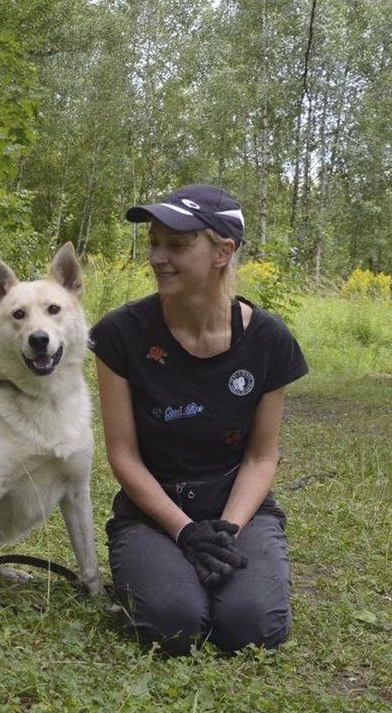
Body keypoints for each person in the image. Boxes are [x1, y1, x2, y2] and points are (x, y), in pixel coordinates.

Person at [88, 183, 308, 655]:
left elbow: (260, 456)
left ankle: (220, 570)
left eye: (177, 244)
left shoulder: (269, 341)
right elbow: (122, 455)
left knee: (252, 627)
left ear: (222, 252)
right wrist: (184, 530)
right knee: (174, 624)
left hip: (238, 509)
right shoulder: (118, 335)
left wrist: (225, 531)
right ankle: (162, 572)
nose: (158, 257)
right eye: (154, 242)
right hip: (152, 512)